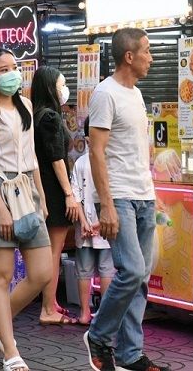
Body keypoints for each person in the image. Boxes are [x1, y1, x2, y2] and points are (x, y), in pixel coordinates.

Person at [83, 28, 168, 371]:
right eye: (147, 51)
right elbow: (96, 151)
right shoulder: (105, 94)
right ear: (129, 57)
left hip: (143, 194)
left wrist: (153, 192)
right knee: (131, 271)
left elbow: (134, 151)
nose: (152, 58)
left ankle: (131, 353)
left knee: (142, 277)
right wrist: (105, 204)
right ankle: (99, 335)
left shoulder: (136, 94)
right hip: (118, 196)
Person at [0, 47, 51, 371]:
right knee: (1, 277)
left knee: (42, 272)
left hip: (26, 192)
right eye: (3, 69)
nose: (11, 73)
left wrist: (42, 199)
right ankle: (10, 352)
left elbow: (31, 160)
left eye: (14, 67)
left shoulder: (27, 107)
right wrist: (0, 209)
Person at [31, 66, 82, 325]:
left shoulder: (36, 115)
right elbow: (56, 158)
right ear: (51, 87)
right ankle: (48, 308)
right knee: (54, 250)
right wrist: (69, 194)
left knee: (50, 249)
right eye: (62, 84)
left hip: (45, 190)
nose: (65, 90)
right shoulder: (49, 117)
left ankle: (52, 303)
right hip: (53, 190)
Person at [71, 118, 115, 326]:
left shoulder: (80, 163)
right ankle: (104, 316)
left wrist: (84, 222)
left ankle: (84, 313)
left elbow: (75, 196)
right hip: (104, 226)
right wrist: (96, 224)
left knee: (83, 271)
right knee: (107, 269)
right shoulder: (110, 162)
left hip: (85, 227)